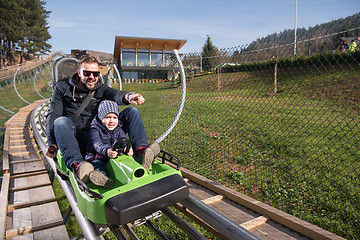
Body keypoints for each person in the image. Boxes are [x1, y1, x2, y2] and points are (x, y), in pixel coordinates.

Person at [45, 55, 160, 186]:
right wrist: (52, 143)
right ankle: (78, 166)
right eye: (87, 73)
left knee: (132, 112)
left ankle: (141, 151)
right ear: (79, 73)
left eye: (96, 73)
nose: (92, 77)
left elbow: (115, 94)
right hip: (77, 137)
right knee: (60, 122)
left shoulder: (100, 88)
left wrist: (129, 96)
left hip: (100, 133)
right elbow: (53, 115)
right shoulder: (62, 88)